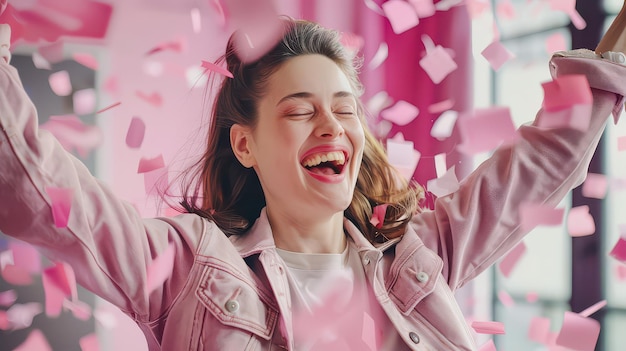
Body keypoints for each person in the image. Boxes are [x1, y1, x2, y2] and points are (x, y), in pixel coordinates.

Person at [1, 9, 626, 351]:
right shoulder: (187, 265)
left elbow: (539, 163)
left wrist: (610, 64)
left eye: (346, 108)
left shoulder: (420, 253)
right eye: (300, 110)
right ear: (244, 144)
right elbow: (39, 187)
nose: (331, 125)